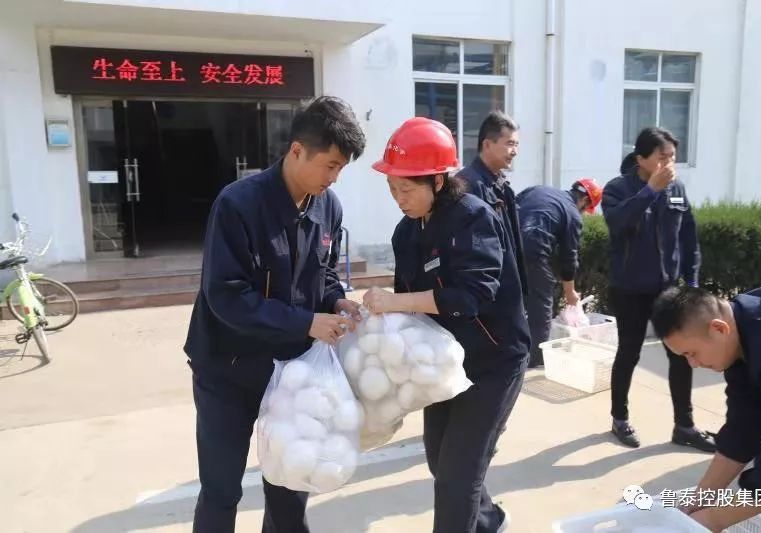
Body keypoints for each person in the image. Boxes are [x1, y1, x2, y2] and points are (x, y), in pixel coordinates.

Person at [183, 96, 365, 533]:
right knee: (222, 489)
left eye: (341, 168)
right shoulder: (238, 205)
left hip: (293, 372)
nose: (334, 178)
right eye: (330, 165)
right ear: (297, 150)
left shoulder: (328, 207)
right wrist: (307, 323)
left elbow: (323, 274)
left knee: (290, 480)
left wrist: (336, 300)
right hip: (228, 370)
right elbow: (226, 295)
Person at [363, 117, 531, 533]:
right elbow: (408, 304)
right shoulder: (406, 233)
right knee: (440, 457)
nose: (398, 199)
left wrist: (396, 301)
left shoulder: (473, 218)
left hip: (493, 361)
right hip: (443, 360)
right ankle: (490, 521)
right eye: (392, 189)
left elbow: (472, 296)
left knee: (458, 475)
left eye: (406, 189)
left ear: (438, 181)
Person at [651, 279, 761, 532]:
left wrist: (712, 520)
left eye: (691, 353)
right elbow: (743, 428)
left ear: (718, 329)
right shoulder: (740, 330)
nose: (693, 364)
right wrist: (697, 502)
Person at [602, 126, 715, 451]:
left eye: (672, 157)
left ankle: (685, 426)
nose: (669, 163)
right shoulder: (618, 189)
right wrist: (650, 190)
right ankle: (620, 419)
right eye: (662, 157)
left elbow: (689, 239)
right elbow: (618, 223)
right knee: (629, 353)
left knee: (681, 355)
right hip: (630, 289)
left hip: (668, 289)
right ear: (641, 159)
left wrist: (692, 283)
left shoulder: (676, 188)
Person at [516, 178, 603, 367]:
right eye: (586, 209)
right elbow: (569, 257)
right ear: (585, 201)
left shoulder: (537, 189)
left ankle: (507, 351)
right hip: (532, 252)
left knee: (512, 301)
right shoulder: (572, 214)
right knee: (541, 306)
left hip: (506, 247)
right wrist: (570, 292)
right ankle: (535, 359)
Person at [456, 111, 528, 302]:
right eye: (510, 144)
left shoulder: (500, 184)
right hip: (488, 297)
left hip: (506, 290)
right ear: (487, 144)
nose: (515, 151)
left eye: (516, 144)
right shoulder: (467, 185)